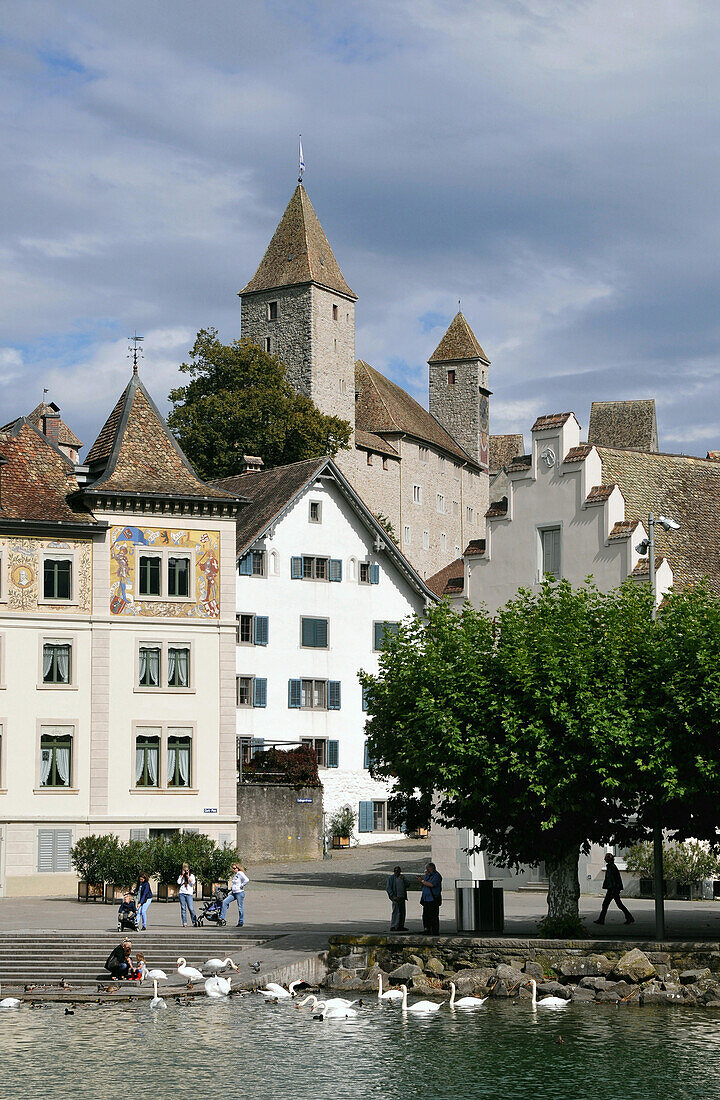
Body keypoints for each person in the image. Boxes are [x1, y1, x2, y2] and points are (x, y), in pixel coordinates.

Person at [594, 852, 634, 925]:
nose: (604, 859)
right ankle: (629, 918)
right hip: (613, 888)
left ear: (608, 859)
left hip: (613, 889)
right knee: (617, 904)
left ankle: (601, 920)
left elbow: (613, 879)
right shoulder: (611, 866)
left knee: (607, 904)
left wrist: (613, 889)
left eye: (606, 858)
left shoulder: (611, 867)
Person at [419, 862, 442, 935]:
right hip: (426, 899)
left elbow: (431, 884)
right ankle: (427, 929)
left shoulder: (436, 876)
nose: (426, 870)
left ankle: (434, 930)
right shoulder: (428, 876)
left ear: (431, 868)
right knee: (426, 916)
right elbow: (425, 885)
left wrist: (422, 881)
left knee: (433, 916)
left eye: (428, 868)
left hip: (433, 899)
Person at [386, 865, 408, 932]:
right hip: (396, 897)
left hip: (402, 897)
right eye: (395, 871)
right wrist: (392, 896)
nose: (396, 872)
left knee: (402, 912)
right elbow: (388, 888)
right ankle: (394, 926)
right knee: (396, 912)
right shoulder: (391, 878)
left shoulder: (402, 877)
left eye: (398, 871)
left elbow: (408, 884)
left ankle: (400, 926)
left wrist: (404, 879)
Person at [177, 863, 198, 927]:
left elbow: (193, 882)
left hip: (189, 894)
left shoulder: (192, 876)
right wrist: (182, 875)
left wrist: (188, 876)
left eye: (187, 870)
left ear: (189, 870)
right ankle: (184, 922)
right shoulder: (181, 876)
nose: (186, 871)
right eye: (184, 870)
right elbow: (178, 882)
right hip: (182, 893)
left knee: (191, 908)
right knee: (183, 908)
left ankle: (194, 921)